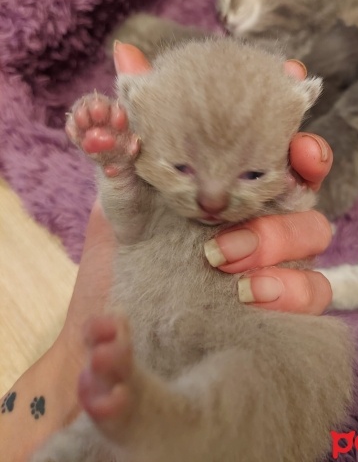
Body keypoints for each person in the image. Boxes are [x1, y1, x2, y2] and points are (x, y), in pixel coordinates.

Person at [0, 43, 334, 462]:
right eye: (182, 168)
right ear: (138, 109)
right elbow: (129, 224)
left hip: (237, 349)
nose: (212, 200)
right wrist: (119, 167)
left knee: (299, 358)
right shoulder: (147, 158)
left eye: (251, 173)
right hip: (136, 359)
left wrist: (291, 196)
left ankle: (164, 422)